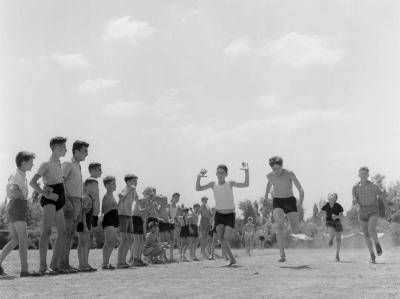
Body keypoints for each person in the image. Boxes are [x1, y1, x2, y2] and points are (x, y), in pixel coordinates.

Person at [196, 162, 249, 266]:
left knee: (226, 237)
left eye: (222, 173)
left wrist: (246, 171)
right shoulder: (213, 184)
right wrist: (199, 176)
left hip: (230, 215)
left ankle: (231, 258)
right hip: (219, 215)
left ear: (226, 174)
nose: (220, 175)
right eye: (218, 173)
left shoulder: (230, 183)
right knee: (221, 238)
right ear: (216, 174)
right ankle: (232, 259)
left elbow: (246, 184)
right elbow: (198, 188)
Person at [30, 137, 68, 274]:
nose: (66, 149)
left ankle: (54, 265)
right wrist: (45, 194)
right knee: (46, 231)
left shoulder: (59, 164)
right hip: (49, 199)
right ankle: (42, 266)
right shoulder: (45, 164)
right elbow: (33, 182)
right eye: (64, 147)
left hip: (60, 197)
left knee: (63, 233)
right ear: (56, 148)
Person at [0, 152, 38, 277]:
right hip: (17, 205)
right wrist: (23, 199)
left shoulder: (19, 175)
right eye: (31, 162)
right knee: (23, 237)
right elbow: (13, 189)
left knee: (17, 239)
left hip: (16, 205)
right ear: (23, 163)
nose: (33, 164)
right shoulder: (17, 175)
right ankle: (24, 270)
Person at [265, 156, 305, 262]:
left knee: (295, 229)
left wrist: (300, 203)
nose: (276, 171)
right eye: (274, 169)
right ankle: (282, 254)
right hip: (277, 201)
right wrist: (265, 197)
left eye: (278, 169)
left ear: (282, 166)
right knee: (279, 225)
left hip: (290, 201)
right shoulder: (270, 176)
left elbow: (300, 189)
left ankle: (297, 234)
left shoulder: (289, 173)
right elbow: (269, 184)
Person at [62, 140, 89, 273]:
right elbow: (61, 182)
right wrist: (67, 200)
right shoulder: (68, 164)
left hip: (78, 201)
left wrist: (82, 197)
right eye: (84, 151)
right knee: (66, 233)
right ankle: (62, 264)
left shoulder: (77, 166)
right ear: (76, 151)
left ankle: (65, 264)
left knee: (70, 234)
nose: (87, 154)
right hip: (70, 201)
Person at [352, 167, 386, 263]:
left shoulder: (374, 186)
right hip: (362, 211)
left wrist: (387, 209)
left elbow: (382, 195)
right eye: (361, 173)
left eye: (365, 174)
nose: (363, 175)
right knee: (366, 235)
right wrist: (354, 201)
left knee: (371, 229)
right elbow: (354, 200)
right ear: (358, 175)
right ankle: (372, 255)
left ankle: (377, 244)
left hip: (373, 210)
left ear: (368, 175)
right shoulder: (355, 187)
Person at [117, 174, 137, 268]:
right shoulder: (125, 189)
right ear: (128, 182)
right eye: (134, 181)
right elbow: (121, 198)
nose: (136, 183)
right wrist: (130, 190)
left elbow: (137, 199)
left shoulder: (133, 190)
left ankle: (123, 261)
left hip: (129, 215)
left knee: (130, 239)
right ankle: (119, 261)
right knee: (124, 239)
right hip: (122, 215)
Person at [76, 179, 97, 271]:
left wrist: (89, 226)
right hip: (82, 223)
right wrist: (85, 226)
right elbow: (83, 212)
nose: (96, 188)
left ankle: (85, 263)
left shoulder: (90, 197)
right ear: (86, 186)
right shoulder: (86, 197)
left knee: (87, 243)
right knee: (82, 243)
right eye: (93, 186)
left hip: (87, 223)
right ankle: (81, 264)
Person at [101, 176, 119, 270]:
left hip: (115, 218)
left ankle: (107, 261)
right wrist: (112, 207)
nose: (115, 185)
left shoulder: (113, 196)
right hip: (108, 219)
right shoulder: (106, 196)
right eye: (113, 184)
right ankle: (104, 263)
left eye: (115, 183)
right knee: (108, 241)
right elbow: (103, 210)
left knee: (114, 240)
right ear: (107, 185)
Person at [129, 186, 150, 267]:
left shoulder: (139, 202)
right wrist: (148, 198)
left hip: (139, 219)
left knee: (140, 240)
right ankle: (135, 259)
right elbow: (137, 201)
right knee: (137, 240)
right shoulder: (138, 200)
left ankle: (138, 259)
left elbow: (140, 212)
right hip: (135, 219)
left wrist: (147, 208)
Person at [86, 162, 102, 266]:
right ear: (92, 170)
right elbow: (89, 198)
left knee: (90, 237)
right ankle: (84, 263)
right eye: (99, 170)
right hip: (89, 213)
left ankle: (85, 262)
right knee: (87, 237)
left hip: (94, 213)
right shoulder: (90, 182)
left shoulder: (95, 182)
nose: (101, 172)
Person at [321, 192, 344, 262]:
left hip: (337, 222)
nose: (331, 195)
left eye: (333, 195)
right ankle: (331, 238)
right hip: (329, 222)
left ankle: (337, 255)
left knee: (338, 239)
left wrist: (336, 216)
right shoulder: (326, 205)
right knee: (332, 233)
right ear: (328, 198)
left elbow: (342, 217)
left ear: (335, 198)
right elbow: (321, 212)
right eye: (330, 195)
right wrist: (319, 216)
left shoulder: (339, 206)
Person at [168, 193, 181, 261]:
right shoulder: (168, 204)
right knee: (164, 240)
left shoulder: (177, 207)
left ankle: (171, 257)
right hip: (166, 224)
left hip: (172, 224)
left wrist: (178, 223)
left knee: (172, 241)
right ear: (172, 197)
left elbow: (175, 217)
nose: (177, 199)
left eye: (178, 198)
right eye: (176, 198)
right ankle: (162, 257)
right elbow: (167, 214)